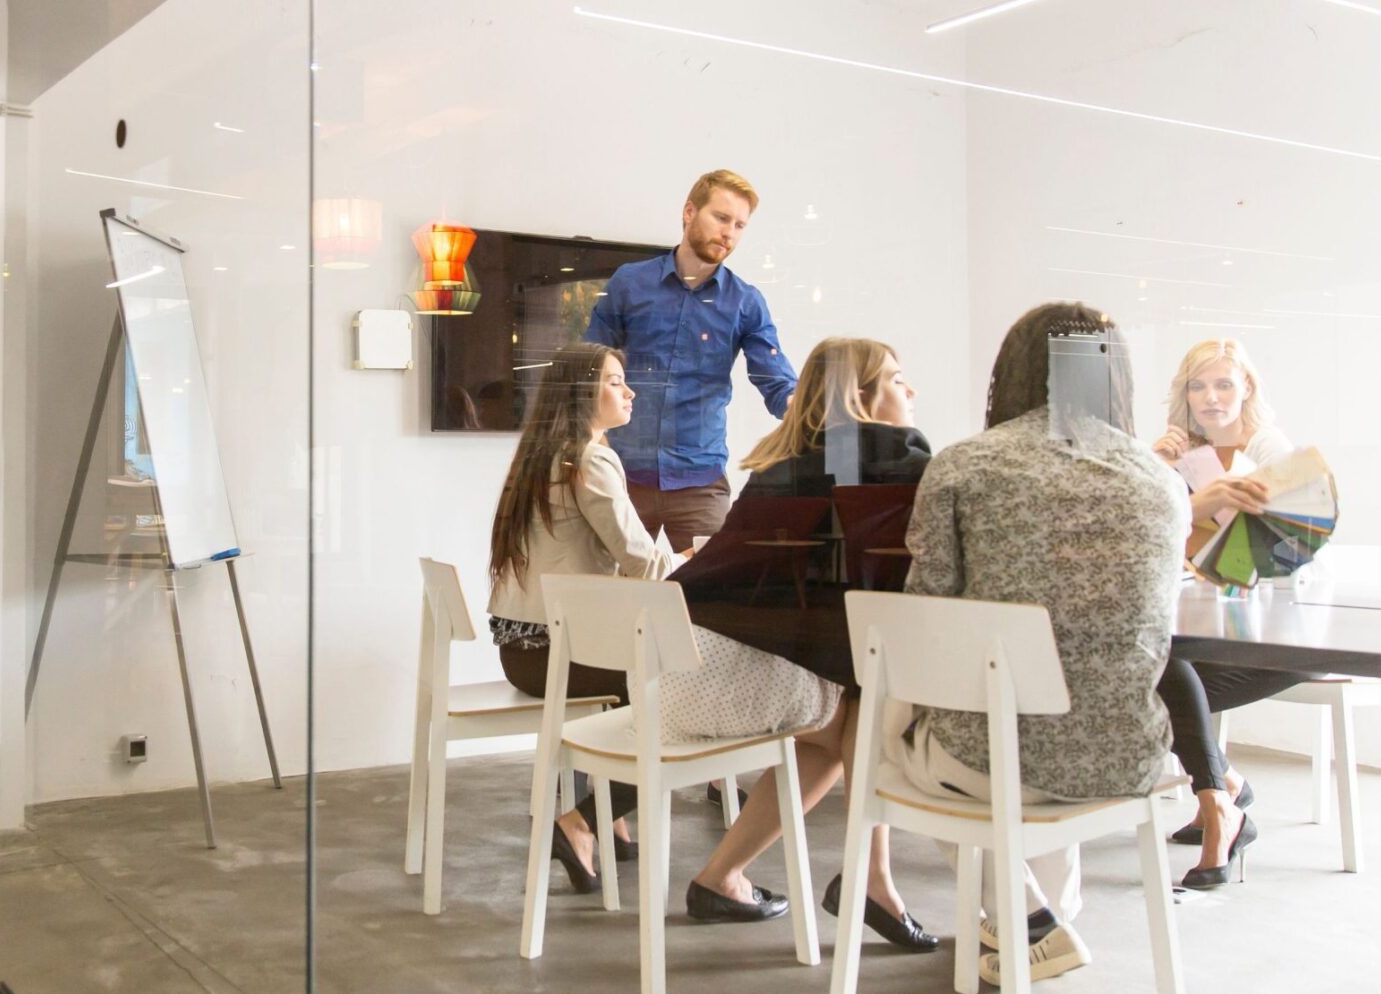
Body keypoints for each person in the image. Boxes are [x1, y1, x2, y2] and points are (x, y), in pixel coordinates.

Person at [895, 302, 1189, 985]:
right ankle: (1034, 931)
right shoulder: (1162, 481)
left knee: (897, 739)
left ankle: (1028, 920)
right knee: (1042, 732)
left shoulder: (965, 466)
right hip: (1124, 752)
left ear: (1014, 372)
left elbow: (925, 620)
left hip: (992, 754)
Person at [670, 337, 939, 950]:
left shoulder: (779, 465)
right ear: (861, 396)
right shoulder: (897, 455)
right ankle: (871, 880)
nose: (910, 390)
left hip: (678, 670)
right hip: (731, 682)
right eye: (897, 378)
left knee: (837, 730)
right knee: (862, 713)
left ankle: (722, 878)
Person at [486, 342, 680, 889]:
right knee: (681, 701)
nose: (630, 391)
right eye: (615, 381)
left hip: (524, 654)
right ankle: (580, 823)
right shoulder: (588, 459)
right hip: (558, 657)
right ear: (581, 394)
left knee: (641, 685)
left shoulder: (542, 455)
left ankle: (609, 821)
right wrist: (697, 560)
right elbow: (645, 563)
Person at [1148, 339, 1319, 887]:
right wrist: (1155, 472)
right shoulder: (1179, 454)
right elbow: (1155, 548)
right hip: (1206, 622)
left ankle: (1222, 801)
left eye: (1223, 384)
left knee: (1157, 683)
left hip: (1280, 632)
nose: (1211, 398)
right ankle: (1223, 796)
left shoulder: (1269, 448)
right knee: (1153, 670)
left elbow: (1292, 545)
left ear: (1246, 388)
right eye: (1198, 386)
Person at [585, 169, 798, 551]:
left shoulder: (746, 302)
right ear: (689, 212)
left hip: (701, 484)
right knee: (609, 585)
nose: (729, 233)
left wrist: (812, 411)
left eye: (739, 225)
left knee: (710, 586)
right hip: (622, 476)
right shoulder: (630, 283)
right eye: (721, 218)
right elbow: (590, 367)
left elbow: (776, 382)